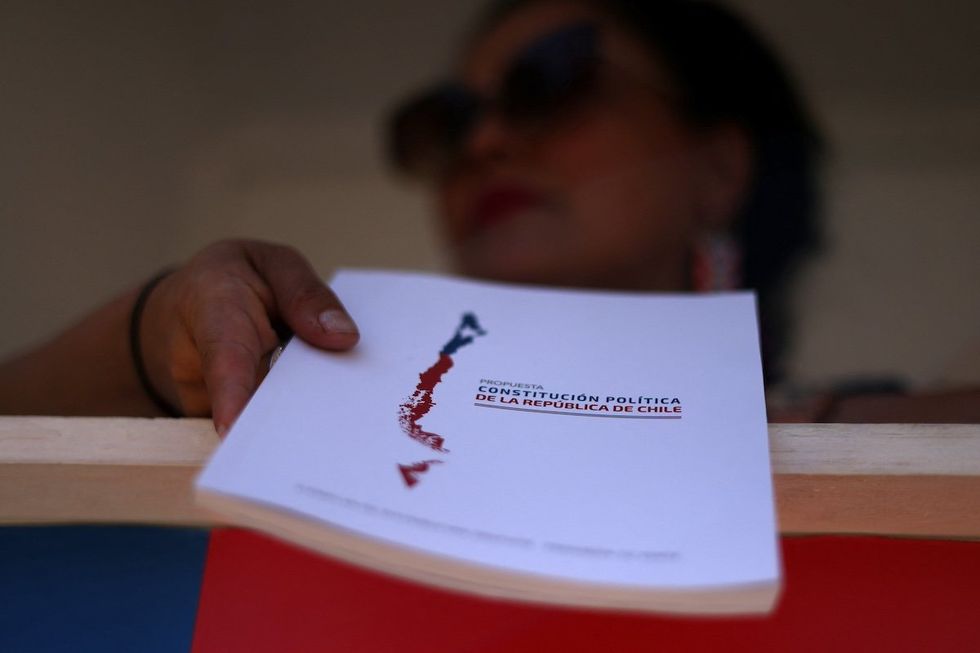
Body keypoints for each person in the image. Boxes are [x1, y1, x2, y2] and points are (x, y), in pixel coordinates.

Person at [0, 0, 976, 428]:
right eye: (448, 121)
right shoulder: (315, 401)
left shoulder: (920, 420)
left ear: (718, 165)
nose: (483, 143)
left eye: (551, 83)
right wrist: (155, 331)